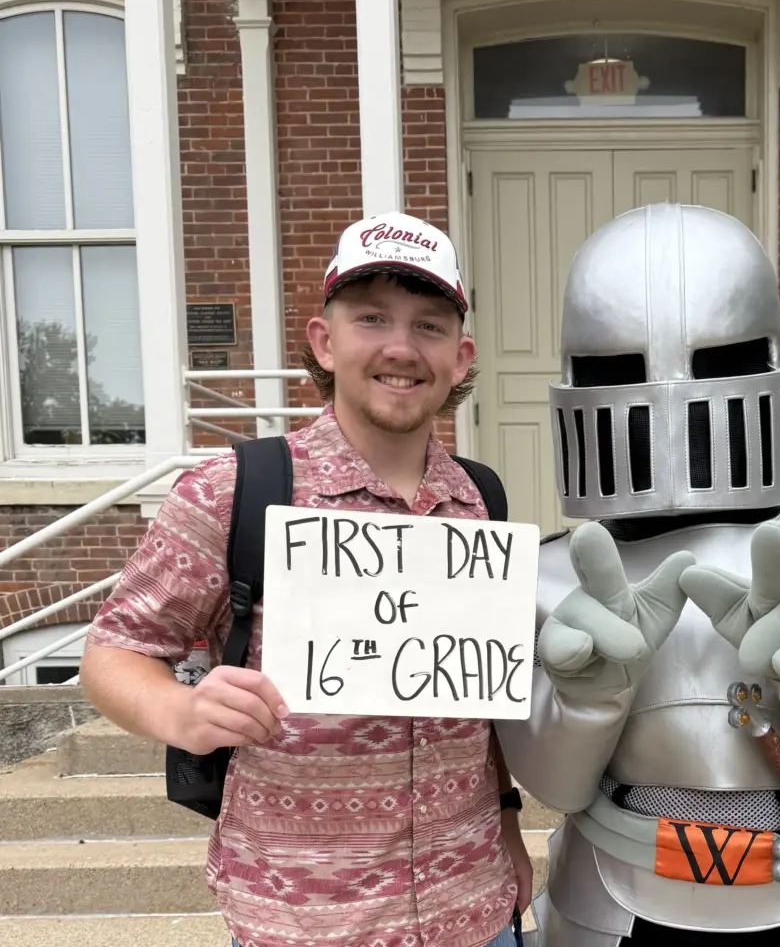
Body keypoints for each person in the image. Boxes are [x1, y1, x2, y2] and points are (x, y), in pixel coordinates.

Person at [495, 203, 780, 946]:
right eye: (623, 371)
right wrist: (582, 703)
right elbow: (558, 785)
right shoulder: (550, 573)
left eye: (717, 364)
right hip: (610, 903)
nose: (672, 397)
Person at [79, 211, 532, 947]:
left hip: (472, 910)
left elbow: (478, 701)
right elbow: (113, 651)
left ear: (460, 356)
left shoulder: (482, 502)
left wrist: (508, 819)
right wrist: (181, 713)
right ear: (324, 341)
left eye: (428, 326)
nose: (400, 347)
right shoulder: (236, 491)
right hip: (301, 924)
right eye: (372, 319)